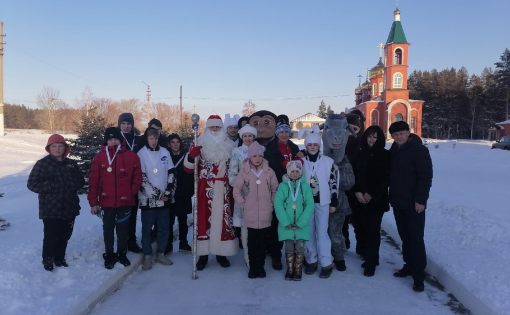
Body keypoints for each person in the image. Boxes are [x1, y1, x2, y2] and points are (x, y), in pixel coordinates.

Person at [184, 114, 238, 270]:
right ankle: (203, 255)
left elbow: (235, 167)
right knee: (203, 222)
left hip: (223, 189)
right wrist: (190, 156)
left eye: (218, 127)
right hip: (204, 189)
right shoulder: (198, 143)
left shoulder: (230, 145)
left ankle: (221, 253)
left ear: (222, 128)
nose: (215, 129)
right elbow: (187, 169)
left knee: (222, 222)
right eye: (212, 126)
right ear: (207, 128)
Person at [28, 134, 85, 271]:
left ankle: (59, 257)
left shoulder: (71, 164)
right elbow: (32, 184)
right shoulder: (42, 164)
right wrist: (51, 186)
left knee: (65, 234)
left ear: (65, 147)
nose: (57, 149)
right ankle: (47, 258)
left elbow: (81, 181)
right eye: (54, 146)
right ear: (49, 148)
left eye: (60, 146)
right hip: (50, 208)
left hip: (69, 206)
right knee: (51, 235)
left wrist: (71, 184)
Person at [88, 127, 142, 269]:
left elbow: (138, 177)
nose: (113, 141)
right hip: (107, 202)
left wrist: (131, 192)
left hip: (125, 201)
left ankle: (122, 253)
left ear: (120, 139)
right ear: (106, 141)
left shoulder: (131, 156)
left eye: (116, 139)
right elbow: (94, 181)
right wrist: (94, 202)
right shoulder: (99, 157)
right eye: (110, 139)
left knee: (123, 230)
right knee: (108, 229)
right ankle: (110, 254)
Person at [388, 121, 433, 292]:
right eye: (396, 134)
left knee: (415, 238)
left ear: (408, 133)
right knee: (405, 237)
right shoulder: (393, 150)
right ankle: (409, 265)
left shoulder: (419, 150)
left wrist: (421, 200)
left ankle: (419, 275)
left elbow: (425, 177)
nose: (399, 136)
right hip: (399, 202)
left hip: (414, 204)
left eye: (402, 133)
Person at [262, 114, 303, 270]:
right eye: (281, 131)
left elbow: (300, 166)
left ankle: (294, 253)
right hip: (277, 190)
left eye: (286, 131)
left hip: (293, 191)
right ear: (276, 132)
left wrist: (299, 160)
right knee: (275, 224)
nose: (284, 134)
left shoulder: (294, 147)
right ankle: (276, 255)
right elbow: (268, 169)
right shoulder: (270, 149)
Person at [233, 141, 279, 278]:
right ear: (249, 157)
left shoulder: (269, 171)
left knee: (263, 244)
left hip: (265, 214)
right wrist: (243, 203)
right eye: (254, 156)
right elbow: (236, 190)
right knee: (252, 244)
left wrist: (271, 204)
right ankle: (253, 268)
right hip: (250, 215)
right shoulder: (244, 171)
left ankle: (261, 268)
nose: (257, 159)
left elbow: (275, 189)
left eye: (259, 156)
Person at [351, 125, 390, 277]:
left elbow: (386, 178)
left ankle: (371, 262)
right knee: (362, 228)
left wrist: (371, 194)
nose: (372, 139)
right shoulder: (359, 154)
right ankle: (369, 255)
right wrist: (357, 192)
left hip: (376, 200)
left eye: (375, 137)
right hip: (359, 199)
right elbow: (353, 175)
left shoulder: (385, 155)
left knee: (373, 230)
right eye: (369, 136)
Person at [301, 129, 338, 279]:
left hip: (323, 202)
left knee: (322, 233)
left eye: (315, 144)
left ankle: (326, 262)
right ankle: (311, 260)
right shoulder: (301, 162)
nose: (312, 147)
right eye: (309, 144)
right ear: (306, 146)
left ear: (319, 145)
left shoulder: (328, 162)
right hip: (306, 203)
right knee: (309, 233)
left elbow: (334, 182)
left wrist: (334, 201)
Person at [138, 128, 176, 270]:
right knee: (147, 229)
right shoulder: (141, 154)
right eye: (151, 138)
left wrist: (167, 191)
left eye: (156, 138)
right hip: (148, 200)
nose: (154, 141)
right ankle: (147, 255)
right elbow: (142, 178)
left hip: (164, 199)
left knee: (164, 228)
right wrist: (156, 194)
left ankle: (160, 253)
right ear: (147, 139)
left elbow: (171, 172)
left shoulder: (165, 152)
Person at [274, 160, 314, 281]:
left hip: (301, 226)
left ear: (301, 172)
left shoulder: (305, 186)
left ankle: (298, 270)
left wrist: (301, 222)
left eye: (297, 171)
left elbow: (310, 205)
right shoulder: (282, 186)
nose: (295, 174)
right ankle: (290, 269)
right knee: (289, 247)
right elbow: (278, 204)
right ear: (288, 172)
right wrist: (285, 222)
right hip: (287, 226)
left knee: (300, 248)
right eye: (292, 171)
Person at [228, 123, 257, 265]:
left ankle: (257, 254)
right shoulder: (237, 152)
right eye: (245, 136)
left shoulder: (261, 150)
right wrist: (241, 187)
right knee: (246, 227)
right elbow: (232, 174)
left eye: (250, 136)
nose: (247, 138)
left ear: (254, 137)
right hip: (244, 195)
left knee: (257, 226)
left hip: (259, 194)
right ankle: (248, 257)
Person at [118, 112, 143, 253]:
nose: (126, 126)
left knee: (133, 213)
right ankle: (121, 240)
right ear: (119, 125)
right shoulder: (116, 139)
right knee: (122, 213)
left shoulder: (138, 140)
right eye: (123, 124)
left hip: (136, 181)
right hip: (121, 182)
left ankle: (131, 241)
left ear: (132, 125)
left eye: (129, 124)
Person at [165, 133, 193, 254]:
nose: (175, 144)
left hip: (183, 192)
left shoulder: (186, 156)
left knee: (183, 220)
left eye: (177, 142)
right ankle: (168, 243)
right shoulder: (165, 156)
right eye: (173, 142)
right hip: (170, 192)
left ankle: (183, 242)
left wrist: (190, 191)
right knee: (169, 220)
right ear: (169, 144)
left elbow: (191, 174)